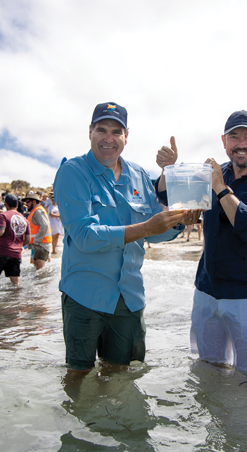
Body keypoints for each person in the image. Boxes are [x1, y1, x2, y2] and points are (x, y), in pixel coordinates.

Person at [53, 102, 194, 375]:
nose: (109, 138)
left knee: (123, 379)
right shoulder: (73, 172)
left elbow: (159, 228)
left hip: (129, 299)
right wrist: (145, 229)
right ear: (90, 132)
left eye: (116, 132)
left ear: (126, 136)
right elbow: (84, 236)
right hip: (84, 297)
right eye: (101, 130)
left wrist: (180, 217)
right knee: (78, 378)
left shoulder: (140, 175)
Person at [177, 109, 247, 378]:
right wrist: (167, 170)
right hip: (207, 291)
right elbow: (173, 198)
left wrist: (221, 188)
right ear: (224, 141)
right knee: (208, 372)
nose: (241, 143)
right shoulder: (212, 174)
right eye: (234, 136)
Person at [0, 194, 31, 286]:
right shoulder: (24, 219)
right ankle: (18, 299)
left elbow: (0, 232)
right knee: (16, 282)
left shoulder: (3, 215)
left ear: (6, 205)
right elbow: (28, 239)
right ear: (17, 205)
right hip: (16, 254)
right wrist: (19, 246)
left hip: (3, 252)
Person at [22, 192, 52, 270]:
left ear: (34, 202)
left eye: (28, 201)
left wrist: (36, 241)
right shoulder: (34, 211)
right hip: (38, 244)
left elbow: (44, 226)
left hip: (41, 244)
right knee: (37, 270)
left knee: (40, 270)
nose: (26, 204)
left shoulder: (38, 211)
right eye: (25, 202)